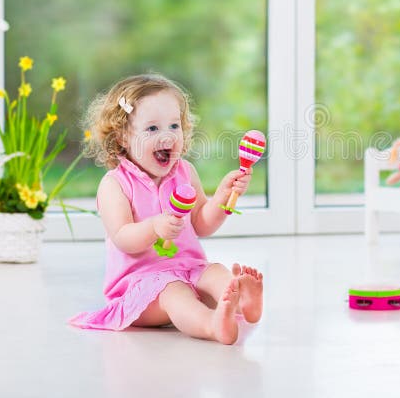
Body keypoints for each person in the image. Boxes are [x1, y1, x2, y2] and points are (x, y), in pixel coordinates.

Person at [69, 73, 264, 345]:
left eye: (174, 126)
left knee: (216, 272)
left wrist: (223, 196)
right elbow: (123, 237)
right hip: (141, 287)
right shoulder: (114, 184)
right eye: (152, 129)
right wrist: (153, 227)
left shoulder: (185, 172)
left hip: (188, 269)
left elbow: (202, 223)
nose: (167, 136)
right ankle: (211, 325)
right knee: (175, 293)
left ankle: (244, 302)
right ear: (123, 137)